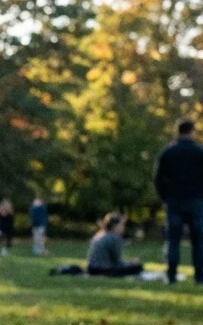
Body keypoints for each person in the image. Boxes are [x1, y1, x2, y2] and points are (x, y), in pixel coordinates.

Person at [153, 119, 203, 283]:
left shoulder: (168, 152)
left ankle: (172, 274)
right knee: (198, 241)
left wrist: (165, 197)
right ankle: (199, 275)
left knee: (173, 240)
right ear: (191, 131)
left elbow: (159, 178)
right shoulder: (199, 152)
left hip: (174, 200)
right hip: (196, 200)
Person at [86, 212, 144, 278]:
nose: (124, 227)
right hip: (102, 270)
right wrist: (132, 263)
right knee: (137, 267)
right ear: (115, 226)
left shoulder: (101, 233)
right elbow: (117, 263)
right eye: (122, 225)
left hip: (91, 268)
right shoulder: (114, 237)